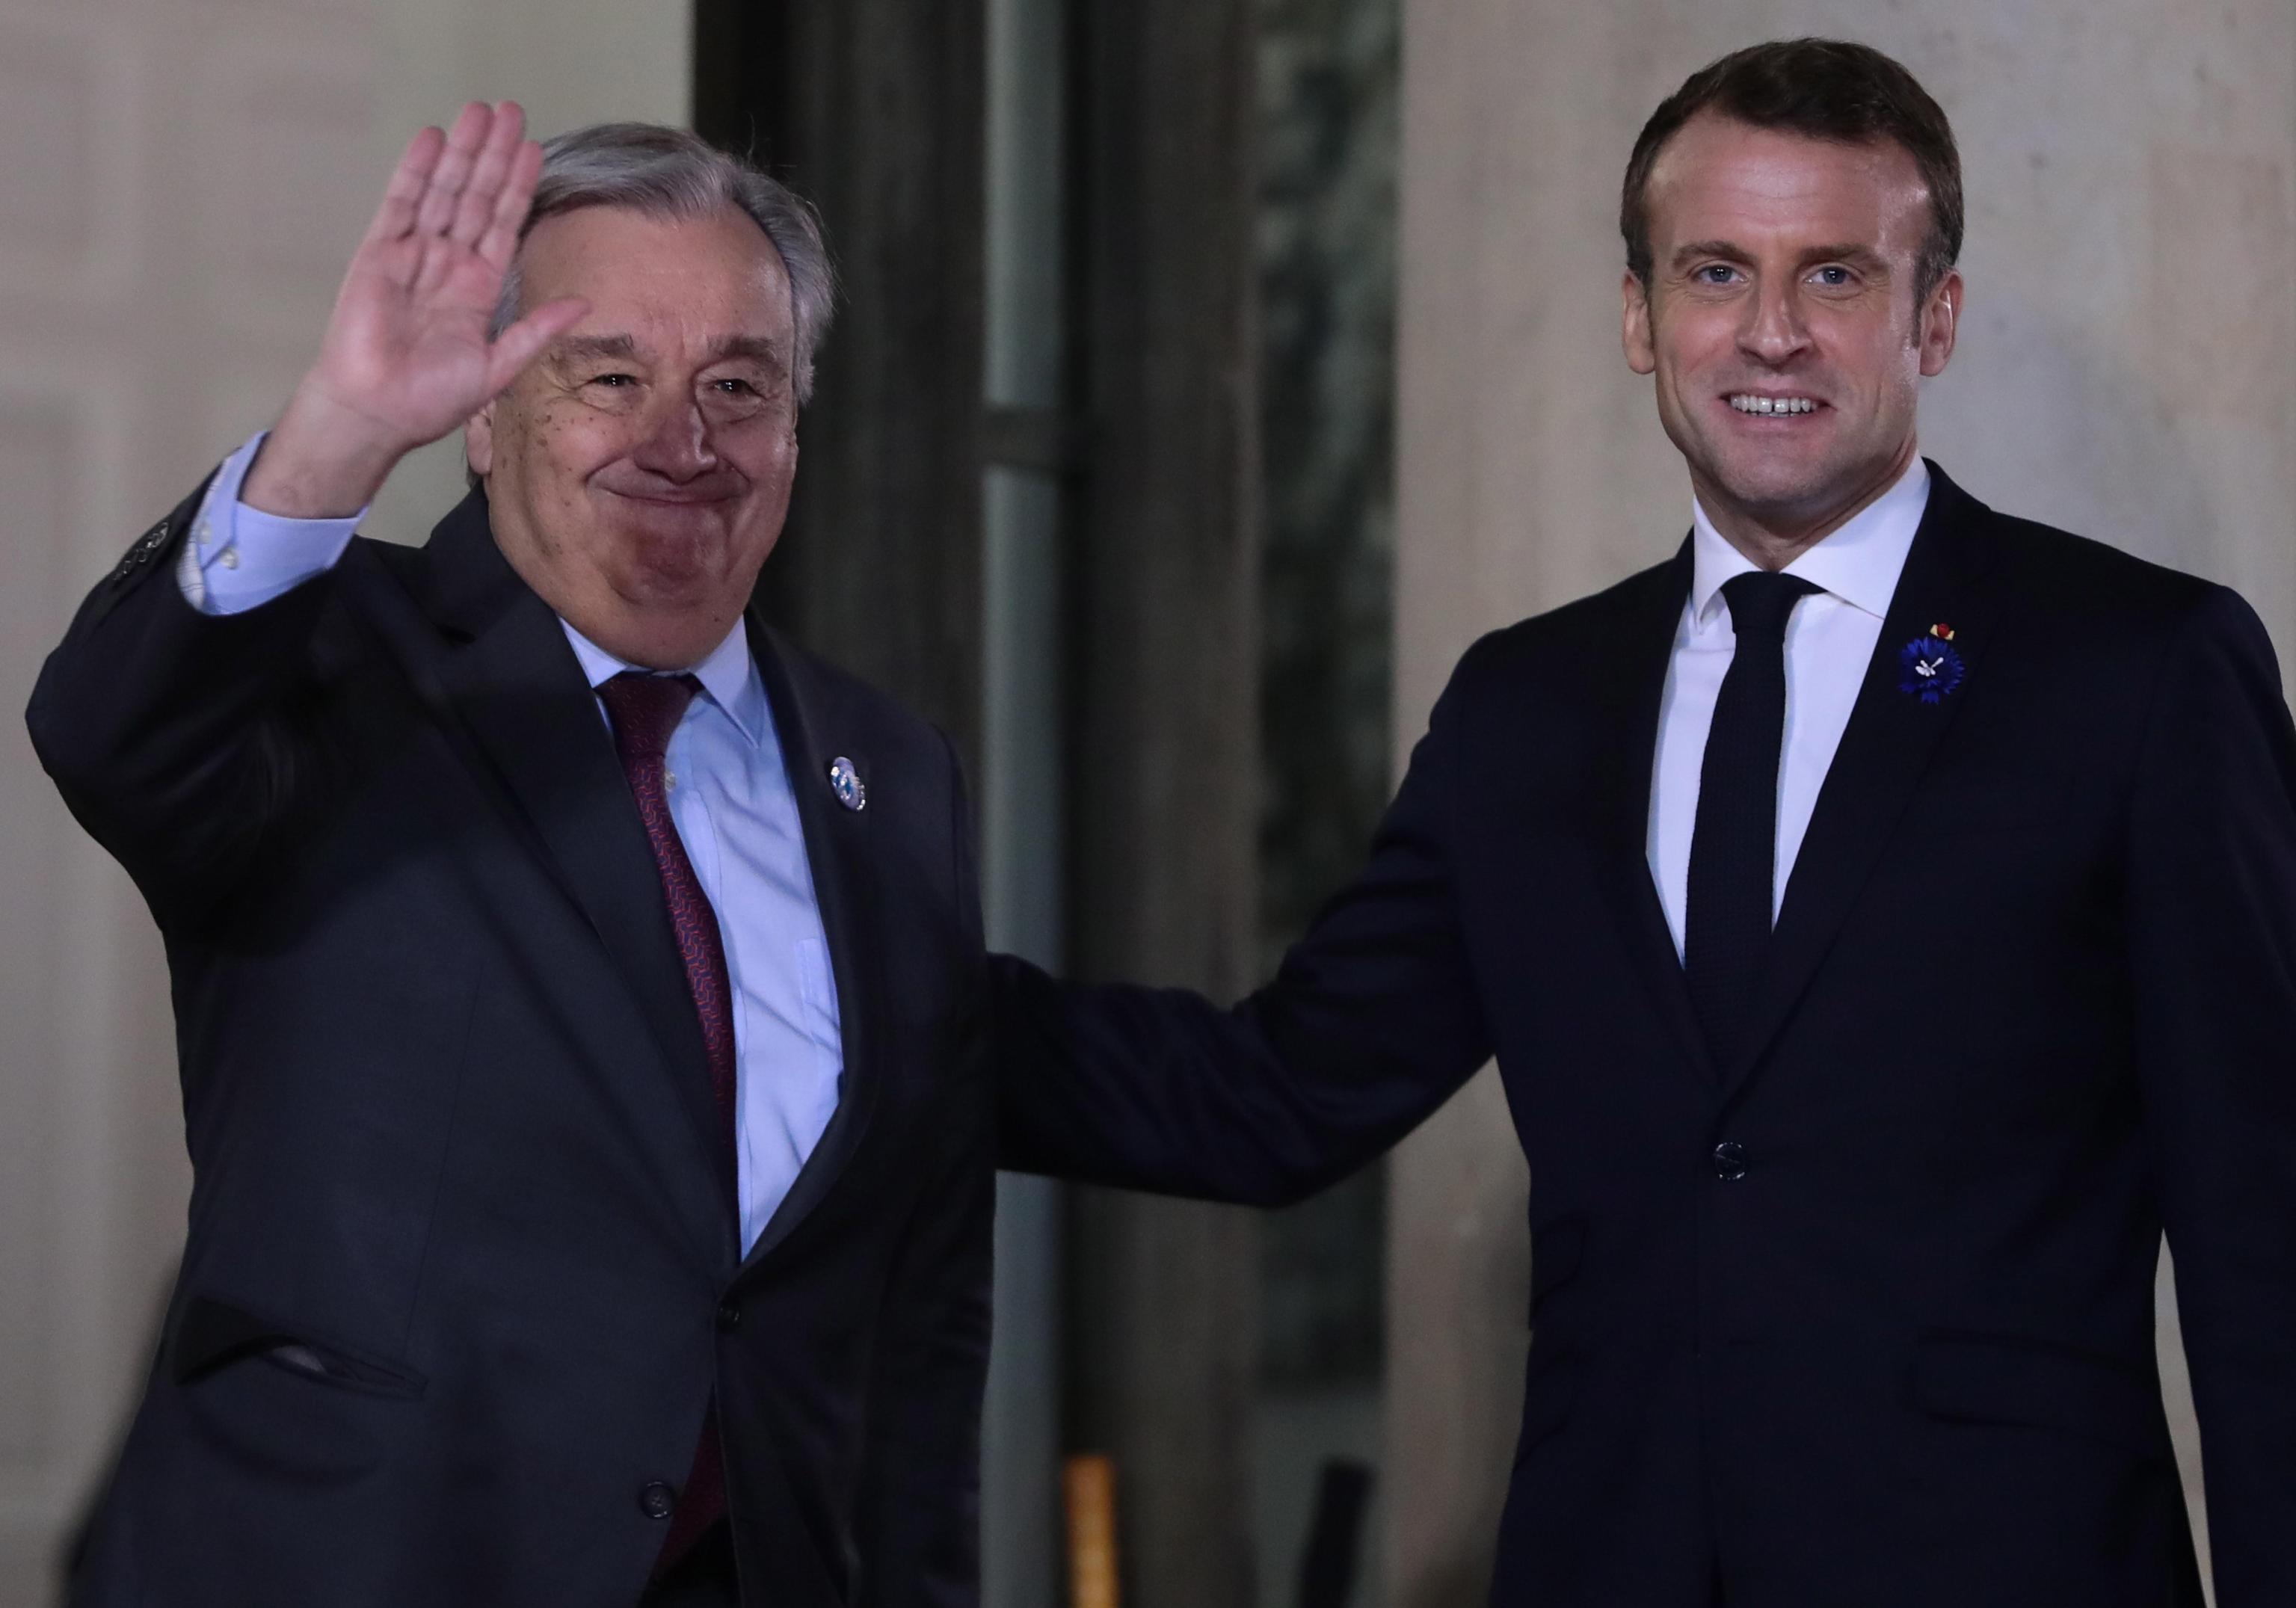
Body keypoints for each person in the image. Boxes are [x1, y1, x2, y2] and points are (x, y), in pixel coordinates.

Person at [997, 38, 2296, 1606]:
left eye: (1834, 275)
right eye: (1713, 272)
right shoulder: (1527, 709)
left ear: (1932, 315)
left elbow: (2262, 1232)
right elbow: (1275, 1093)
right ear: (1639, 317)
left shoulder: (2141, 669)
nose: (1770, 332)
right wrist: (857, 996)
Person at [31, 105, 989, 1608]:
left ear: (796, 429)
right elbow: (107, 730)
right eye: (608, 374)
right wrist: (338, 431)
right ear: (485, 414)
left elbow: (919, 1300)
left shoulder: (895, 774)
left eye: (739, 385)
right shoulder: (338, 670)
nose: (685, 442)